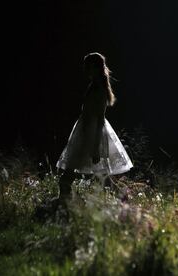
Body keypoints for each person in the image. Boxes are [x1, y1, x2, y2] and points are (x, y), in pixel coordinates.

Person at [53, 52, 133, 210]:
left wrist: (96, 147)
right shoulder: (93, 87)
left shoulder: (100, 90)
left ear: (96, 67)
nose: (85, 69)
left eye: (88, 65)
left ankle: (64, 207)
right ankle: (122, 202)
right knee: (102, 178)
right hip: (85, 132)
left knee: (76, 177)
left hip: (90, 135)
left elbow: (99, 119)